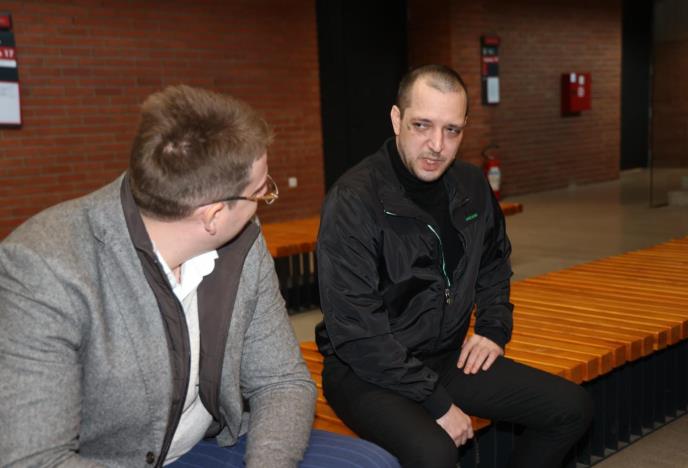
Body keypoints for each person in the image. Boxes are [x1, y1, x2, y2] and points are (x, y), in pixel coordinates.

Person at [0, 85, 397, 468]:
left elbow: (281, 381)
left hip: (208, 442)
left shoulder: (242, 240)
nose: (263, 202)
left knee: (376, 461)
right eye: (261, 191)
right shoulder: (43, 268)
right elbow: (35, 459)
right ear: (213, 216)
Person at [315, 65, 593, 468]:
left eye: (452, 130)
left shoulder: (471, 185)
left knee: (571, 407)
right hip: (365, 371)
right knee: (435, 454)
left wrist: (493, 328)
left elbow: (494, 261)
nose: (437, 145)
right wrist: (438, 404)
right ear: (396, 119)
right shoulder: (354, 200)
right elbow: (359, 333)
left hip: (446, 358)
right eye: (422, 125)